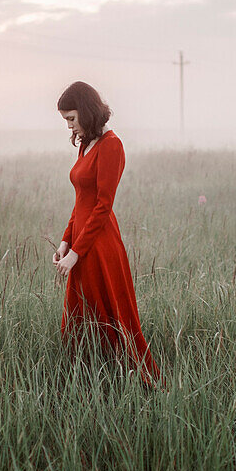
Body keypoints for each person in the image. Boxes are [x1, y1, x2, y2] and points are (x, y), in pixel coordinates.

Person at [52, 81, 166, 390]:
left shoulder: (112, 145)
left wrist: (78, 251)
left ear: (87, 113)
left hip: (99, 245)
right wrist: (66, 241)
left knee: (111, 314)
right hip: (80, 241)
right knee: (79, 317)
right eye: (65, 120)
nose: (69, 126)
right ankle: (86, 381)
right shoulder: (84, 144)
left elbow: (102, 206)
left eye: (71, 119)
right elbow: (81, 200)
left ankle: (137, 383)